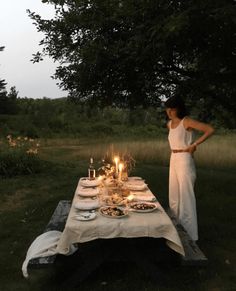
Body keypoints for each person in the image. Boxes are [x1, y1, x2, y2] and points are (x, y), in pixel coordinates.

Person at [165, 95, 214, 241]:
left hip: (185, 159)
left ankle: (190, 236)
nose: (169, 112)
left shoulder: (186, 121)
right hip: (174, 158)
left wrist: (194, 144)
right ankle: (175, 229)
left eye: (172, 109)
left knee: (186, 197)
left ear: (178, 108)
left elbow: (210, 129)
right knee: (174, 195)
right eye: (168, 109)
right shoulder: (169, 124)